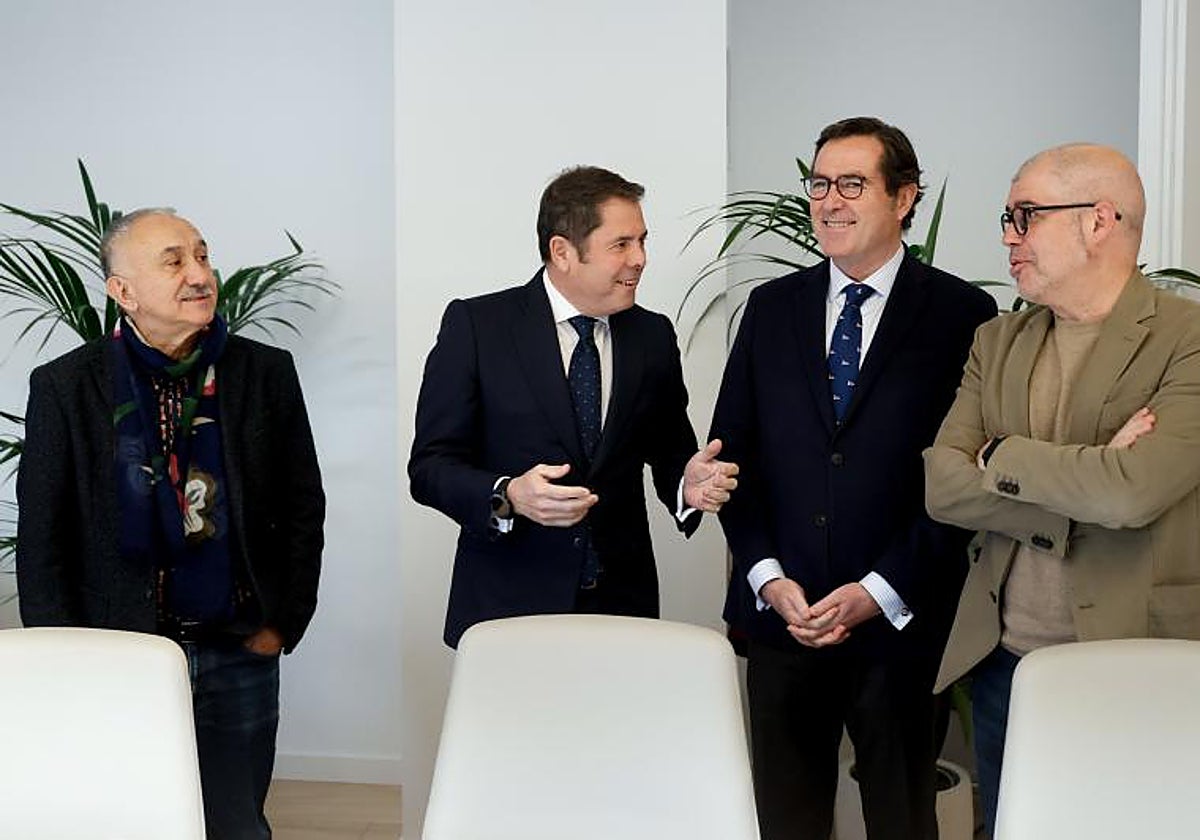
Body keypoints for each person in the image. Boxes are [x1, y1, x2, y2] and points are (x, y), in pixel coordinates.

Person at [710, 117, 997, 840]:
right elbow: (728, 459)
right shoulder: (770, 308)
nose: (828, 201)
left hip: (901, 627)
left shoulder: (965, 316)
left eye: (851, 184)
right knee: (786, 820)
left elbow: (966, 481)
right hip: (782, 623)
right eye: (817, 183)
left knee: (902, 820)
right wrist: (767, 577)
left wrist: (878, 592)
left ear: (905, 198)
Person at [17, 208, 325, 839]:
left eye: (203, 255)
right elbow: (44, 536)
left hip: (236, 645)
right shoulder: (65, 387)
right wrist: (65, 655)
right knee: (122, 819)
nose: (199, 274)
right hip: (117, 650)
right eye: (174, 260)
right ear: (122, 291)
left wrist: (280, 623)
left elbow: (302, 506)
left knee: (236, 824)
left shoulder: (263, 372)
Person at [925, 142, 1200, 838]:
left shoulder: (1188, 339)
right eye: (1008, 217)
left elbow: (1133, 494)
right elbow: (944, 487)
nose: (1007, 237)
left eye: (1026, 216)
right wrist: (1087, 472)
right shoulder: (998, 339)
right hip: (1004, 664)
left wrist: (1002, 454)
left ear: (1099, 221)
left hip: (1138, 658)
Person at [409, 165, 738, 648]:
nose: (640, 259)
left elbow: (670, 451)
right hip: (507, 611)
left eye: (643, 241)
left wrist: (687, 485)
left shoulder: (652, 336)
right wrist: (508, 495)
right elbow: (430, 467)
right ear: (561, 251)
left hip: (622, 610)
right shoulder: (478, 327)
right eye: (621, 244)